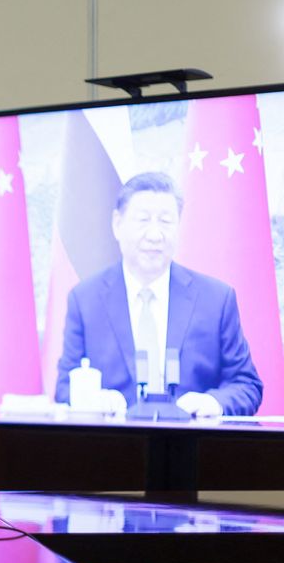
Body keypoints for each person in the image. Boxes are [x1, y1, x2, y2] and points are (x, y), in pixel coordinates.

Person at [55, 172, 263, 418]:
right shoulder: (85, 300)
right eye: (143, 220)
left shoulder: (216, 299)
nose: (155, 235)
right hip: (114, 446)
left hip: (192, 445)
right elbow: (64, 388)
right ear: (117, 224)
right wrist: (92, 399)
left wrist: (213, 403)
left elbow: (246, 385)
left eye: (165, 221)